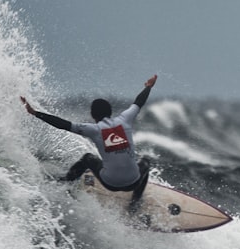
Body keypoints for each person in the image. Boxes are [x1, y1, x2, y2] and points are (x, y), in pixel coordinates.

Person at [20, 74, 157, 199]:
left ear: (92, 115)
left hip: (110, 184)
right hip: (134, 182)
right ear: (110, 112)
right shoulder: (125, 119)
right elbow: (139, 102)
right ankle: (136, 200)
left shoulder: (93, 129)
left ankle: (67, 182)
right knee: (145, 160)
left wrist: (35, 113)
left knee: (88, 158)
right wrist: (148, 87)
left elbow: (62, 124)